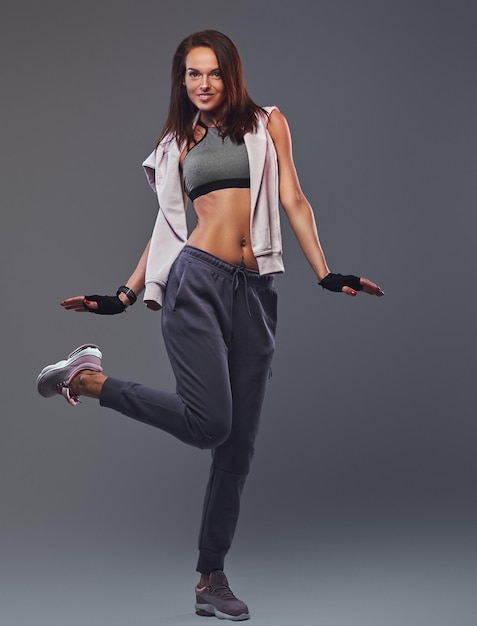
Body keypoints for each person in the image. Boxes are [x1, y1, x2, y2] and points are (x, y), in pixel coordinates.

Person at [37, 30, 384, 621]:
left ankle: (210, 578)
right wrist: (123, 294)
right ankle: (86, 380)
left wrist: (326, 273)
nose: (202, 85)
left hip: (256, 293)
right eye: (192, 75)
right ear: (182, 80)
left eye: (213, 73)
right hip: (196, 283)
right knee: (209, 424)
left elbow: (294, 200)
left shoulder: (268, 123)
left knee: (237, 445)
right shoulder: (176, 143)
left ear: (232, 75)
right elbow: (166, 225)